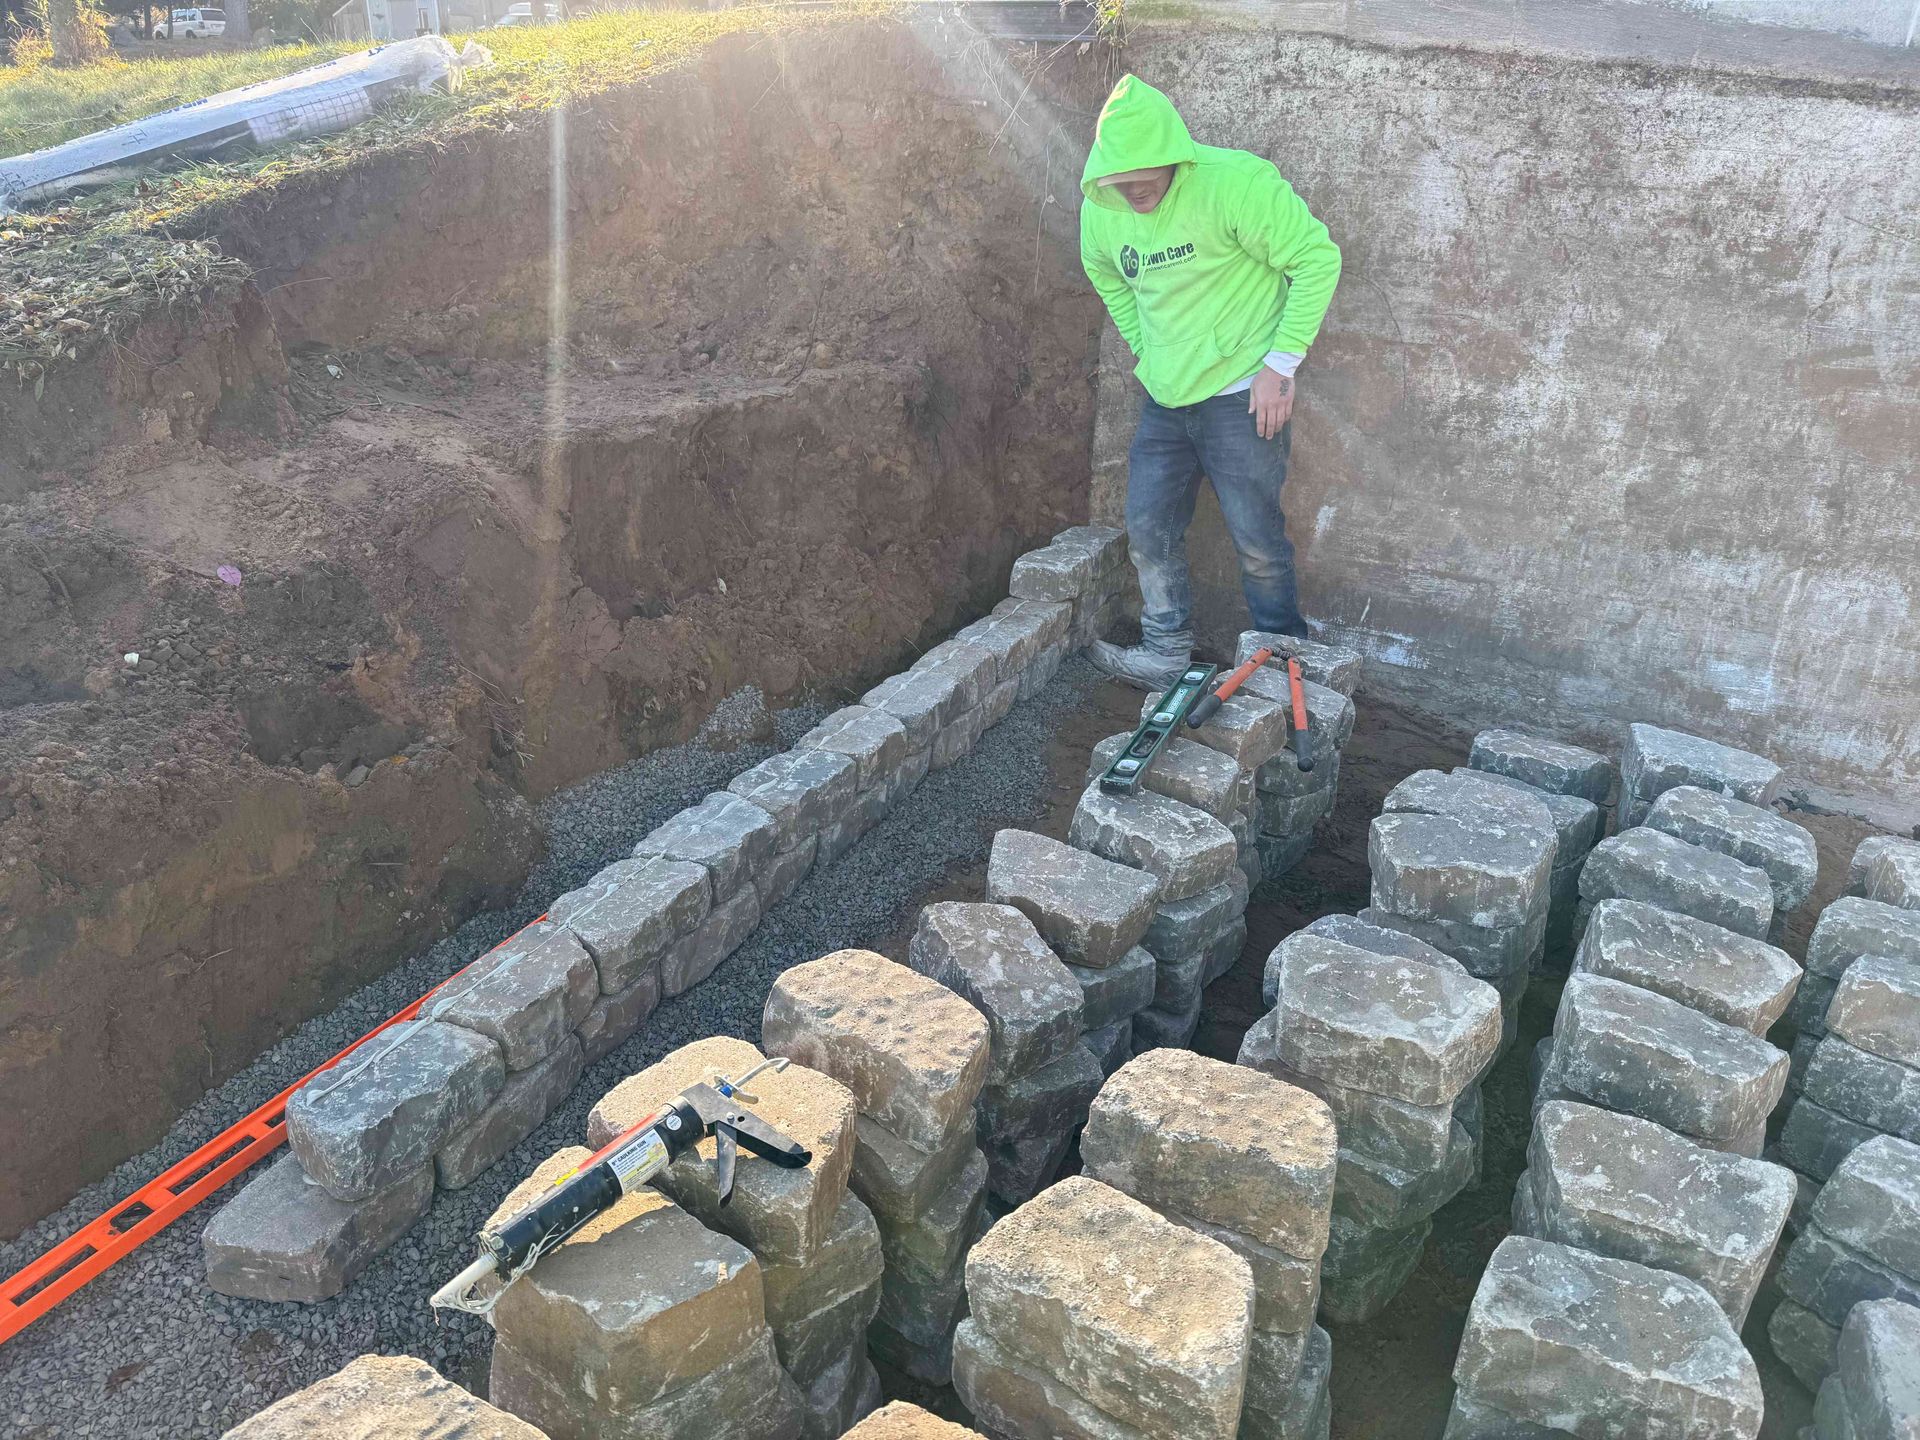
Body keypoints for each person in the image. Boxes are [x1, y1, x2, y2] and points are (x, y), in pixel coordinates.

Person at [1079, 74, 1342, 689]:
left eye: (1145, 173)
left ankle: (1282, 668)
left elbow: (1316, 258)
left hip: (1242, 395)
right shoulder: (1103, 211)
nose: (1134, 189)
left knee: (1257, 540)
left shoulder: (1236, 184)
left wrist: (1279, 367)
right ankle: (1166, 652)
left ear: (1174, 153)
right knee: (1149, 528)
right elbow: (1107, 276)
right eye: (1120, 177)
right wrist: (1149, 352)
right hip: (1165, 399)